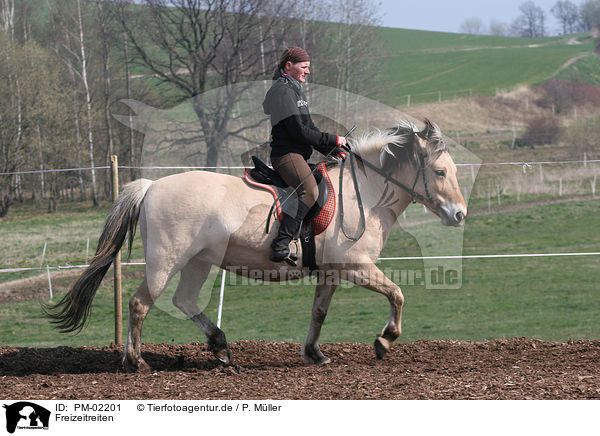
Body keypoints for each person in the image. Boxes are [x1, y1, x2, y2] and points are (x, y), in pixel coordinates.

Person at [263, 46, 347, 262]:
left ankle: (304, 236)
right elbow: (299, 132)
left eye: (309, 67)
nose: (308, 72)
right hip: (287, 155)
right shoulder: (283, 91)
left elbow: (310, 130)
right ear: (289, 66)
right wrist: (334, 138)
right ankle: (281, 243)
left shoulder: (294, 90)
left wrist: (333, 149)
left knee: (322, 183)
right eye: (305, 67)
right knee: (309, 191)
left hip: (298, 154)